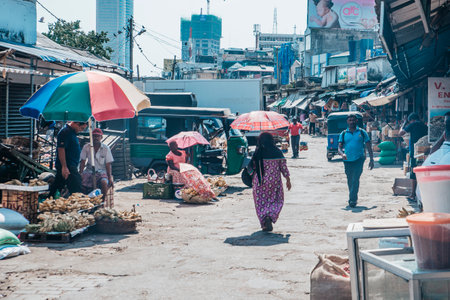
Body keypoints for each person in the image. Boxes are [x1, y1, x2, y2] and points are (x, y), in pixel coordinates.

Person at [250, 132, 291, 231]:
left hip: (260, 182)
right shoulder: (277, 151)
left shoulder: (258, 152)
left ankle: (264, 222)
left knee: (260, 202)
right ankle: (271, 215)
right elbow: (283, 167)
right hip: (275, 182)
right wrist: (288, 179)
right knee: (276, 200)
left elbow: (252, 167)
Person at [338, 115, 374, 208]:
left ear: (356, 121)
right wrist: (342, 154)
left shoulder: (362, 132)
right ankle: (352, 197)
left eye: (353, 120)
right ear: (347, 122)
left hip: (359, 159)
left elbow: (368, 145)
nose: (351, 122)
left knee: (355, 179)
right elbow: (339, 147)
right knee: (350, 179)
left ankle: (352, 200)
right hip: (347, 160)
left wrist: (371, 159)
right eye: (350, 120)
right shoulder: (343, 133)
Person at [49, 121, 88, 197]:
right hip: (68, 167)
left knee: (57, 187)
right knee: (77, 188)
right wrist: (64, 167)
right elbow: (61, 149)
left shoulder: (72, 132)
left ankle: (50, 198)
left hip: (70, 165)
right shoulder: (65, 132)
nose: (81, 130)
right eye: (82, 128)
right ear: (76, 124)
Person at [79, 128, 114, 199]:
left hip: (102, 171)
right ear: (91, 137)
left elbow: (108, 164)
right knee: (81, 182)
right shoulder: (86, 147)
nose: (96, 138)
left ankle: (102, 201)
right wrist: (80, 173)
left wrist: (109, 177)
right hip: (89, 170)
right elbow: (83, 161)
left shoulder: (106, 148)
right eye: (94, 136)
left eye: (98, 136)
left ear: (101, 138)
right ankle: (85, 200)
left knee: (104, 183)